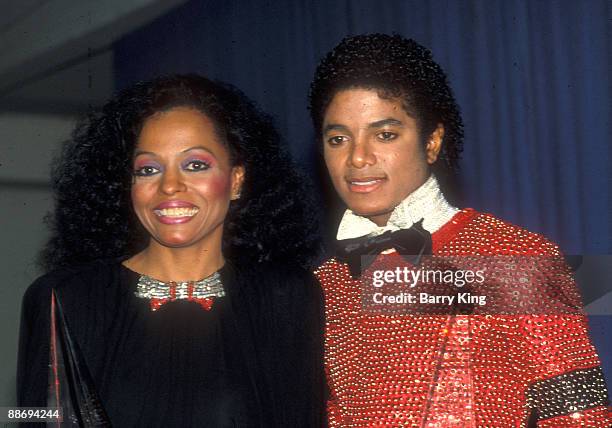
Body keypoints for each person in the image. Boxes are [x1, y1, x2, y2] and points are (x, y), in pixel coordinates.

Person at [309, 34, 610, 426]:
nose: (358, 157)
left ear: (432, 141)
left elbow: (584, 415)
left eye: (385, 134)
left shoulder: (515, 256)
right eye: (338, 139)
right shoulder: (324, 284)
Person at [18, 74, 326, 427]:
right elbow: (32, 418)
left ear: (236, 180)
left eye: (195, 165)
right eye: (148, 169)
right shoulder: (64, 299)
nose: (169, 186)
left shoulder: (286, 297)